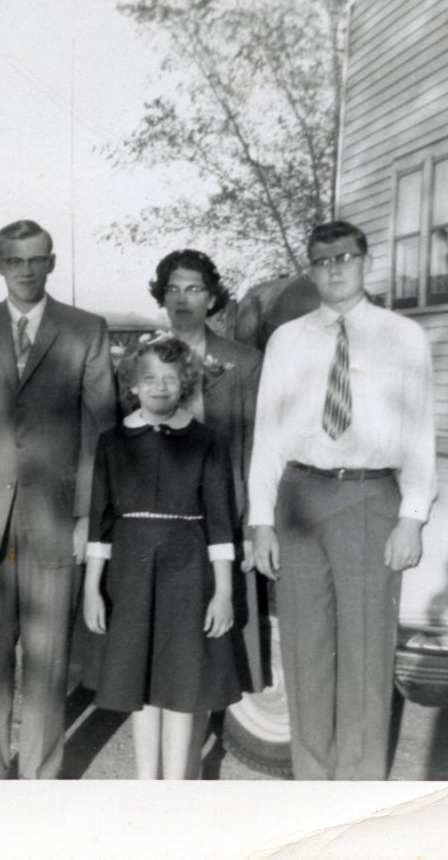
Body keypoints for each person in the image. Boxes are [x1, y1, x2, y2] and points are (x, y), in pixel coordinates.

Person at [247, 220, 437, 780]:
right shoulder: (287, 340)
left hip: (369, 497)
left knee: (366, 652)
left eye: (345, 258)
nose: (334, 269)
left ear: (366, 262)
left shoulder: (404, 336)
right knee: (305, 648)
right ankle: (313, 781)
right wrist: (261, 520)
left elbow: (420, 432)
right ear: (310, 270)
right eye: (322, 261)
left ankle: (359, 789)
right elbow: (267, 435)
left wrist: (412, 517)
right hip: (300, 499)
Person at [0, 219, 117, 779]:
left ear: (52, 262)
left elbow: (103, 433)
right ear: (0, 266)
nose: (27, 270)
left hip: (55, 521)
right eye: (15, 260)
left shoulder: (85, 329)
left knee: (48, 661)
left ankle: (40, 781)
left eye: (37, 259)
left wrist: (88, 517)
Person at [82, 335, 243, 779]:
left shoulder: (206, 441)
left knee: (180, 684)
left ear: (185, 384)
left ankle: (174, 789)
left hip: (188, 572)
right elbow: (100, 523)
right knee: (141, 683)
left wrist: (223, 592)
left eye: (170, 379)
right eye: (150, 378)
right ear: (134, 384)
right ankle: (146, 787)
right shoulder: (113, 442)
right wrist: (92, 588)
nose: (159, 386)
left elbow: (220, 524)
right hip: (130, 574)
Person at [147, 250, 264, 697]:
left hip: (222, 513)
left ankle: (209, 710)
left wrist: (253, 526)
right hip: (159, 516)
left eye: (194, 289)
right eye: (173, 289)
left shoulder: (243, 363)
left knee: (218, 624)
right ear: (162, 296)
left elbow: (255, 447)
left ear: (211, 298)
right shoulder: (140, 362)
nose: (182, 299)